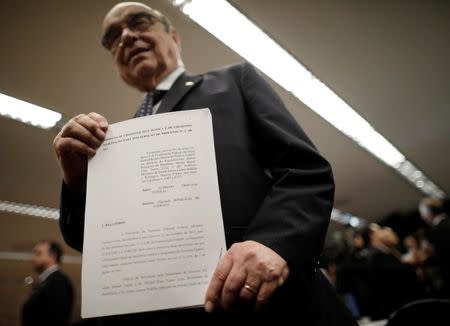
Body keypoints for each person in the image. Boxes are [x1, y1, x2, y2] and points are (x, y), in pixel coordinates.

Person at [53, 2, 357, 325]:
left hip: (275, 309)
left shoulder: (233, 82)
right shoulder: (112, 140)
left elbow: (305, 172)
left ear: (174, 37)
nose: (126, 36)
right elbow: (89, 241)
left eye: (139, 22)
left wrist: (274, 243)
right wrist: (77, 182)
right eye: (113, 37)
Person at [365, 224, 422, 320]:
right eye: (378, 231)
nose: (382, 233)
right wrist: (410, 264)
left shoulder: (389, 251)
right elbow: (392, 273)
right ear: (373, 236)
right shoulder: (377, 255)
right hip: (395, 300)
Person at [21, 240, 74, 326]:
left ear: (52, 257)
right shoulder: (49, 281)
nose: (33, 258)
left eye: (38, 254)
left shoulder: (58, 282)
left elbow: (56, 319)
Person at [419, 197, 450, 297]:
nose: (422, 217)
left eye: (423, 213)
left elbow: (441, 256)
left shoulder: (436, 231)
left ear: (429, 212)